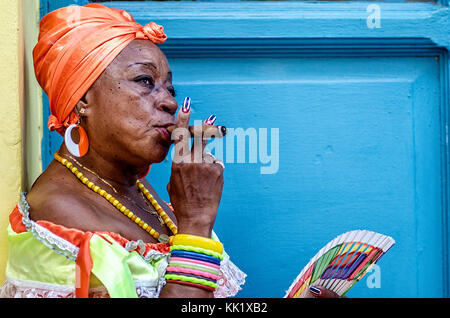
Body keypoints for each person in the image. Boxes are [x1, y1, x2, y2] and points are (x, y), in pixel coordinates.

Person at [0, 3, 245, 298]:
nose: (169, 102)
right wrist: (194, 223)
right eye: (145, 81)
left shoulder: (136, 191)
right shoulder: (62, 213)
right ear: (83, 99)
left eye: (170, 89)